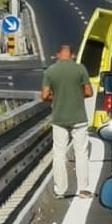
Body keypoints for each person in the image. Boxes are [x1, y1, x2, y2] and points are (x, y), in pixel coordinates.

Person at [41, 43, 94, 199]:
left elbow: (44, 95)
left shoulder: (50, 71)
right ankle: (83, 189)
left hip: (59, 118)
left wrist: (56, 96)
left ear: (58, 55)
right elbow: (89, 92)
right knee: (81, 152)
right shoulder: (80, 69)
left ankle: (60, 190)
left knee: (59, 153)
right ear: (72, 55)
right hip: (78, 117)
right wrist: (76, 94)